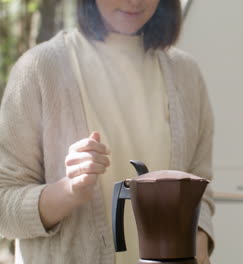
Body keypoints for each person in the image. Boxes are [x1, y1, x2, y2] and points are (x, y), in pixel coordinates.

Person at [0, 0, 215, 263]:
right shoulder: (40, 68)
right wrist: (68, 191)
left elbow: (200, 187)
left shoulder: (186, 74)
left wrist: (199, 237)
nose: (135, 1)